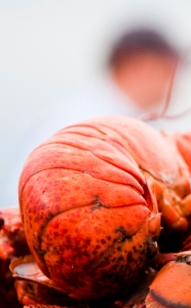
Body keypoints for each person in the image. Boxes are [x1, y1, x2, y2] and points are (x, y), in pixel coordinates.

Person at [2, 26, 180, 207]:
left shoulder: (126, 120)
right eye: (168, 73)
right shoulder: (77, 121)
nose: (174, 85)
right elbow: (16, 201)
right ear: (138, 67)